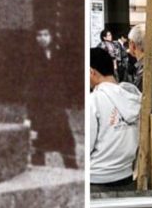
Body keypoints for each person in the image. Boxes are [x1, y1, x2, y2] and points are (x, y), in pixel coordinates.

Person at [88, 47, 140, 192]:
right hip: (125, 176)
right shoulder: (132, 99)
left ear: (91, 72)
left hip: (96, 178)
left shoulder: (94, 101)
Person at [26, 26, 76, 167]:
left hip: (56, 103)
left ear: (51, 36)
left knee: (65, 136)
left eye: (45, 34)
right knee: (37, 136)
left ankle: (71, 165)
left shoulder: (58, 54)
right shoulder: (32, 57)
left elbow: (65, 79)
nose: (42, 38)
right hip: (39, 104)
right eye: (39, 35)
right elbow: (30, 83)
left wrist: (66, 102)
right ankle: (38, 166)